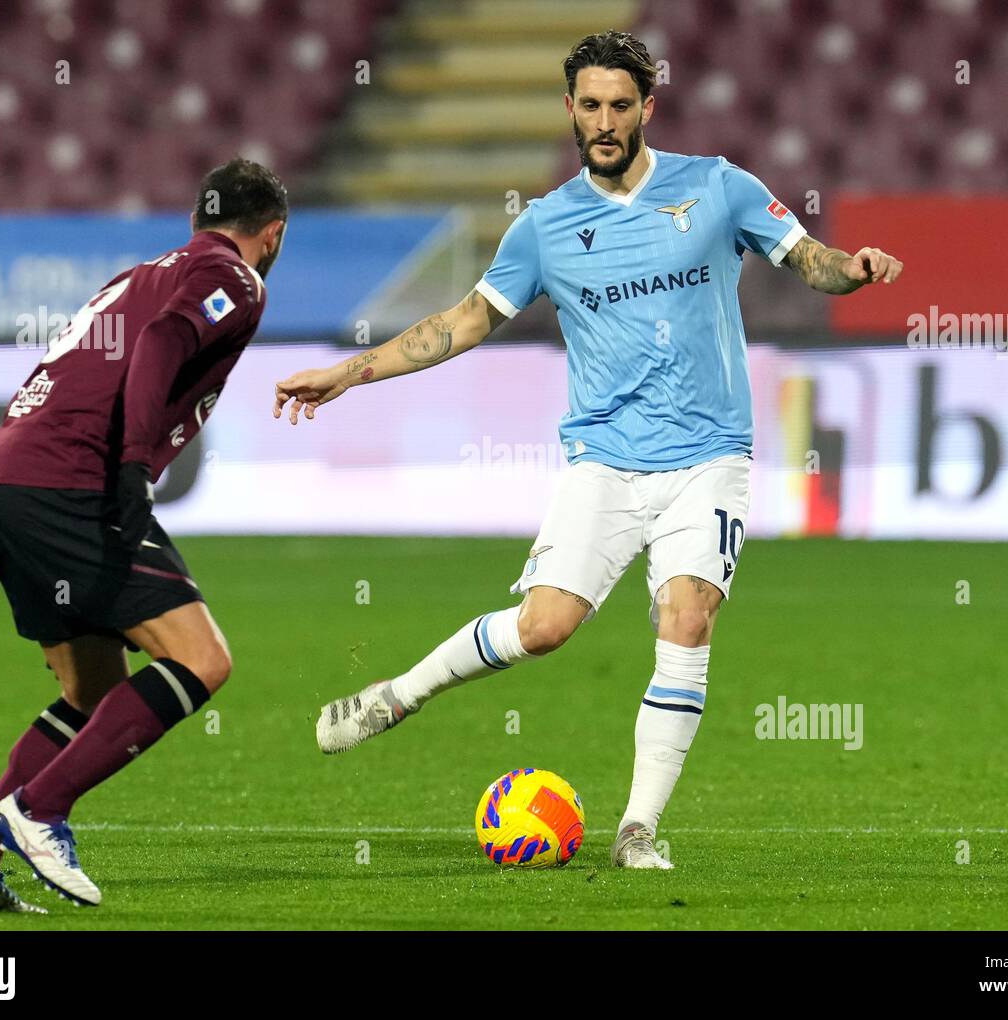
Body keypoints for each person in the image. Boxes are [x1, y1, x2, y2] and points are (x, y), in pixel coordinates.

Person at [272, 31, 903, 870]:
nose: (605, 123)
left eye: (621, 106)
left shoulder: (717, 187)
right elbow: (459, 324)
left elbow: (809, 260)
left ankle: (637, 828)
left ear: (649, 107)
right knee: (544, 629)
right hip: (603, 460)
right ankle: (399, 695)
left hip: (710, 456)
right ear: (570, 110)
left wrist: (852, 268)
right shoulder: (545, 227)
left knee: (688, 618)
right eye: (591, 106)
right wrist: (352, 373)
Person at [0, 158, 287, 911]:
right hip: (72, 483)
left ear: (197, 219)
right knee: (200, 660)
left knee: (90, 692)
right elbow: (160, 343)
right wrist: (130, 467)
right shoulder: (237, 280)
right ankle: (39, 809)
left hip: (5, 483)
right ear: (273, 234)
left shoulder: (143, 270)